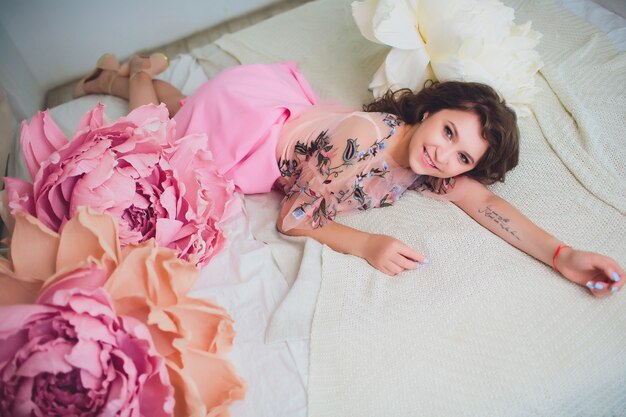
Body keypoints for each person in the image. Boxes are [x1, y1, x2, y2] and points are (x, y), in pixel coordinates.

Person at [74, 53, 624, 297]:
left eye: (463, 158)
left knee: (190, 105)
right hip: (253, 134)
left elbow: (485, 204)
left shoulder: (427, 163)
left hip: (281, 113)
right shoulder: (364, 138)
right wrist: (367, 243)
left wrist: (562, 255)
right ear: (431, 110)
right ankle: (134, 77)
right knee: (155, 137)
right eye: (450, 133)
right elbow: (294, 217)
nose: (446, 158)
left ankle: (135, 73)